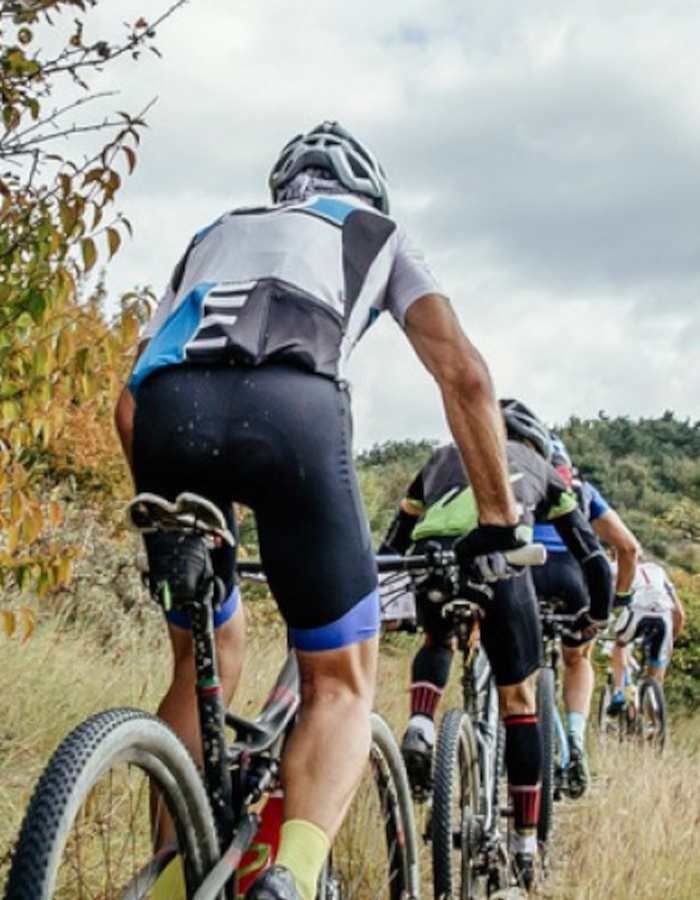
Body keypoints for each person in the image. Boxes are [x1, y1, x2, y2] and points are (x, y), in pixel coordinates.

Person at [114, 121, 522, 900]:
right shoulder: (380, 231)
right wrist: (498, 522)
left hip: (169, 419)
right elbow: (464, 377)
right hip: (291, 417)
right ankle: (291, 878)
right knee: (339, 681)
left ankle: (167, 882)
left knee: (206, 652)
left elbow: (127, 407)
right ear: (367, 189)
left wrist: (178, 524)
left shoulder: (214, 233)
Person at [379, 398, 612, 888]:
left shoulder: (441, 456)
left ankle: (421, 724)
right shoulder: (542, 469)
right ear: (535, 442)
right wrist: (596, 617)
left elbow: (392, 543)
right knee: (520, 700)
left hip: (432, 560)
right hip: (500, 568)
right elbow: (592, 557)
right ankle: (525, 845)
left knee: (438, 638)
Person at [531, 435, 641, 797]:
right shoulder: (583, 491)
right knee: (577, 659)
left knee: (517, 664)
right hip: (574, 580)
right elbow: (628, 547)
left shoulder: (518, 479)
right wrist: (619, 599)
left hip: (526, 575)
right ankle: (575, 739)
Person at [607, 559, 686, 711]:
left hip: (637, 612)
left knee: (619, 645)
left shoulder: (615, 567)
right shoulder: (658, 569)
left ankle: (619, 692)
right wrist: (671, 640)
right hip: (663, 616)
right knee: (655, 675)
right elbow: (680, 614)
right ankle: (654, 722)